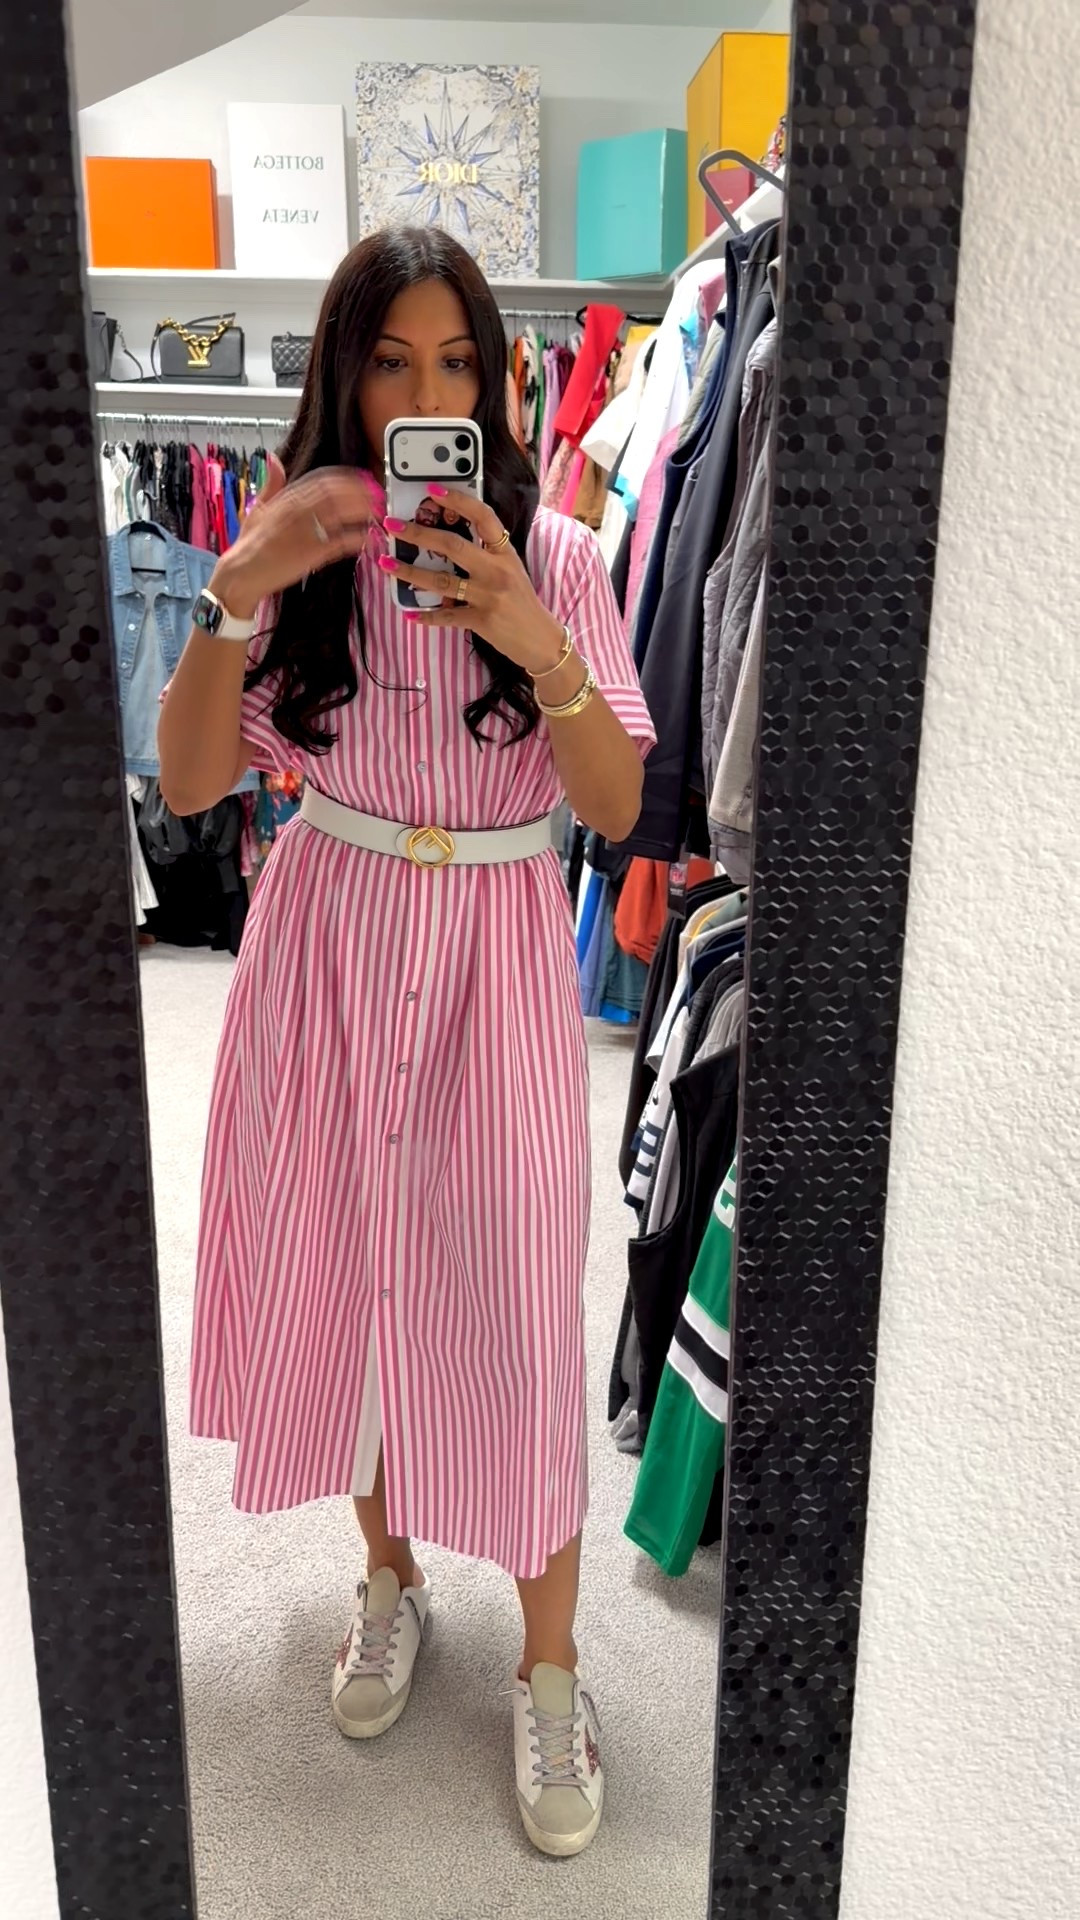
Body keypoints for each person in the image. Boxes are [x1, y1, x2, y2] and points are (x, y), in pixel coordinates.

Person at [158, 226, 655, 1859]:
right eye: (390, 362)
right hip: (328, 940)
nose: (425, 396)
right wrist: (237, 585)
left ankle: (552, 1664)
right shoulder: (295, 550)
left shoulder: (557, 553)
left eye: (455, 363)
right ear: (344, 377)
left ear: (497, 386)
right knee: (348, 1267)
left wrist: (533, 633)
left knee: (506, 1300)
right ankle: (388, 1575)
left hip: (496, 959)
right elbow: (190, 783)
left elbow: (615, 805)